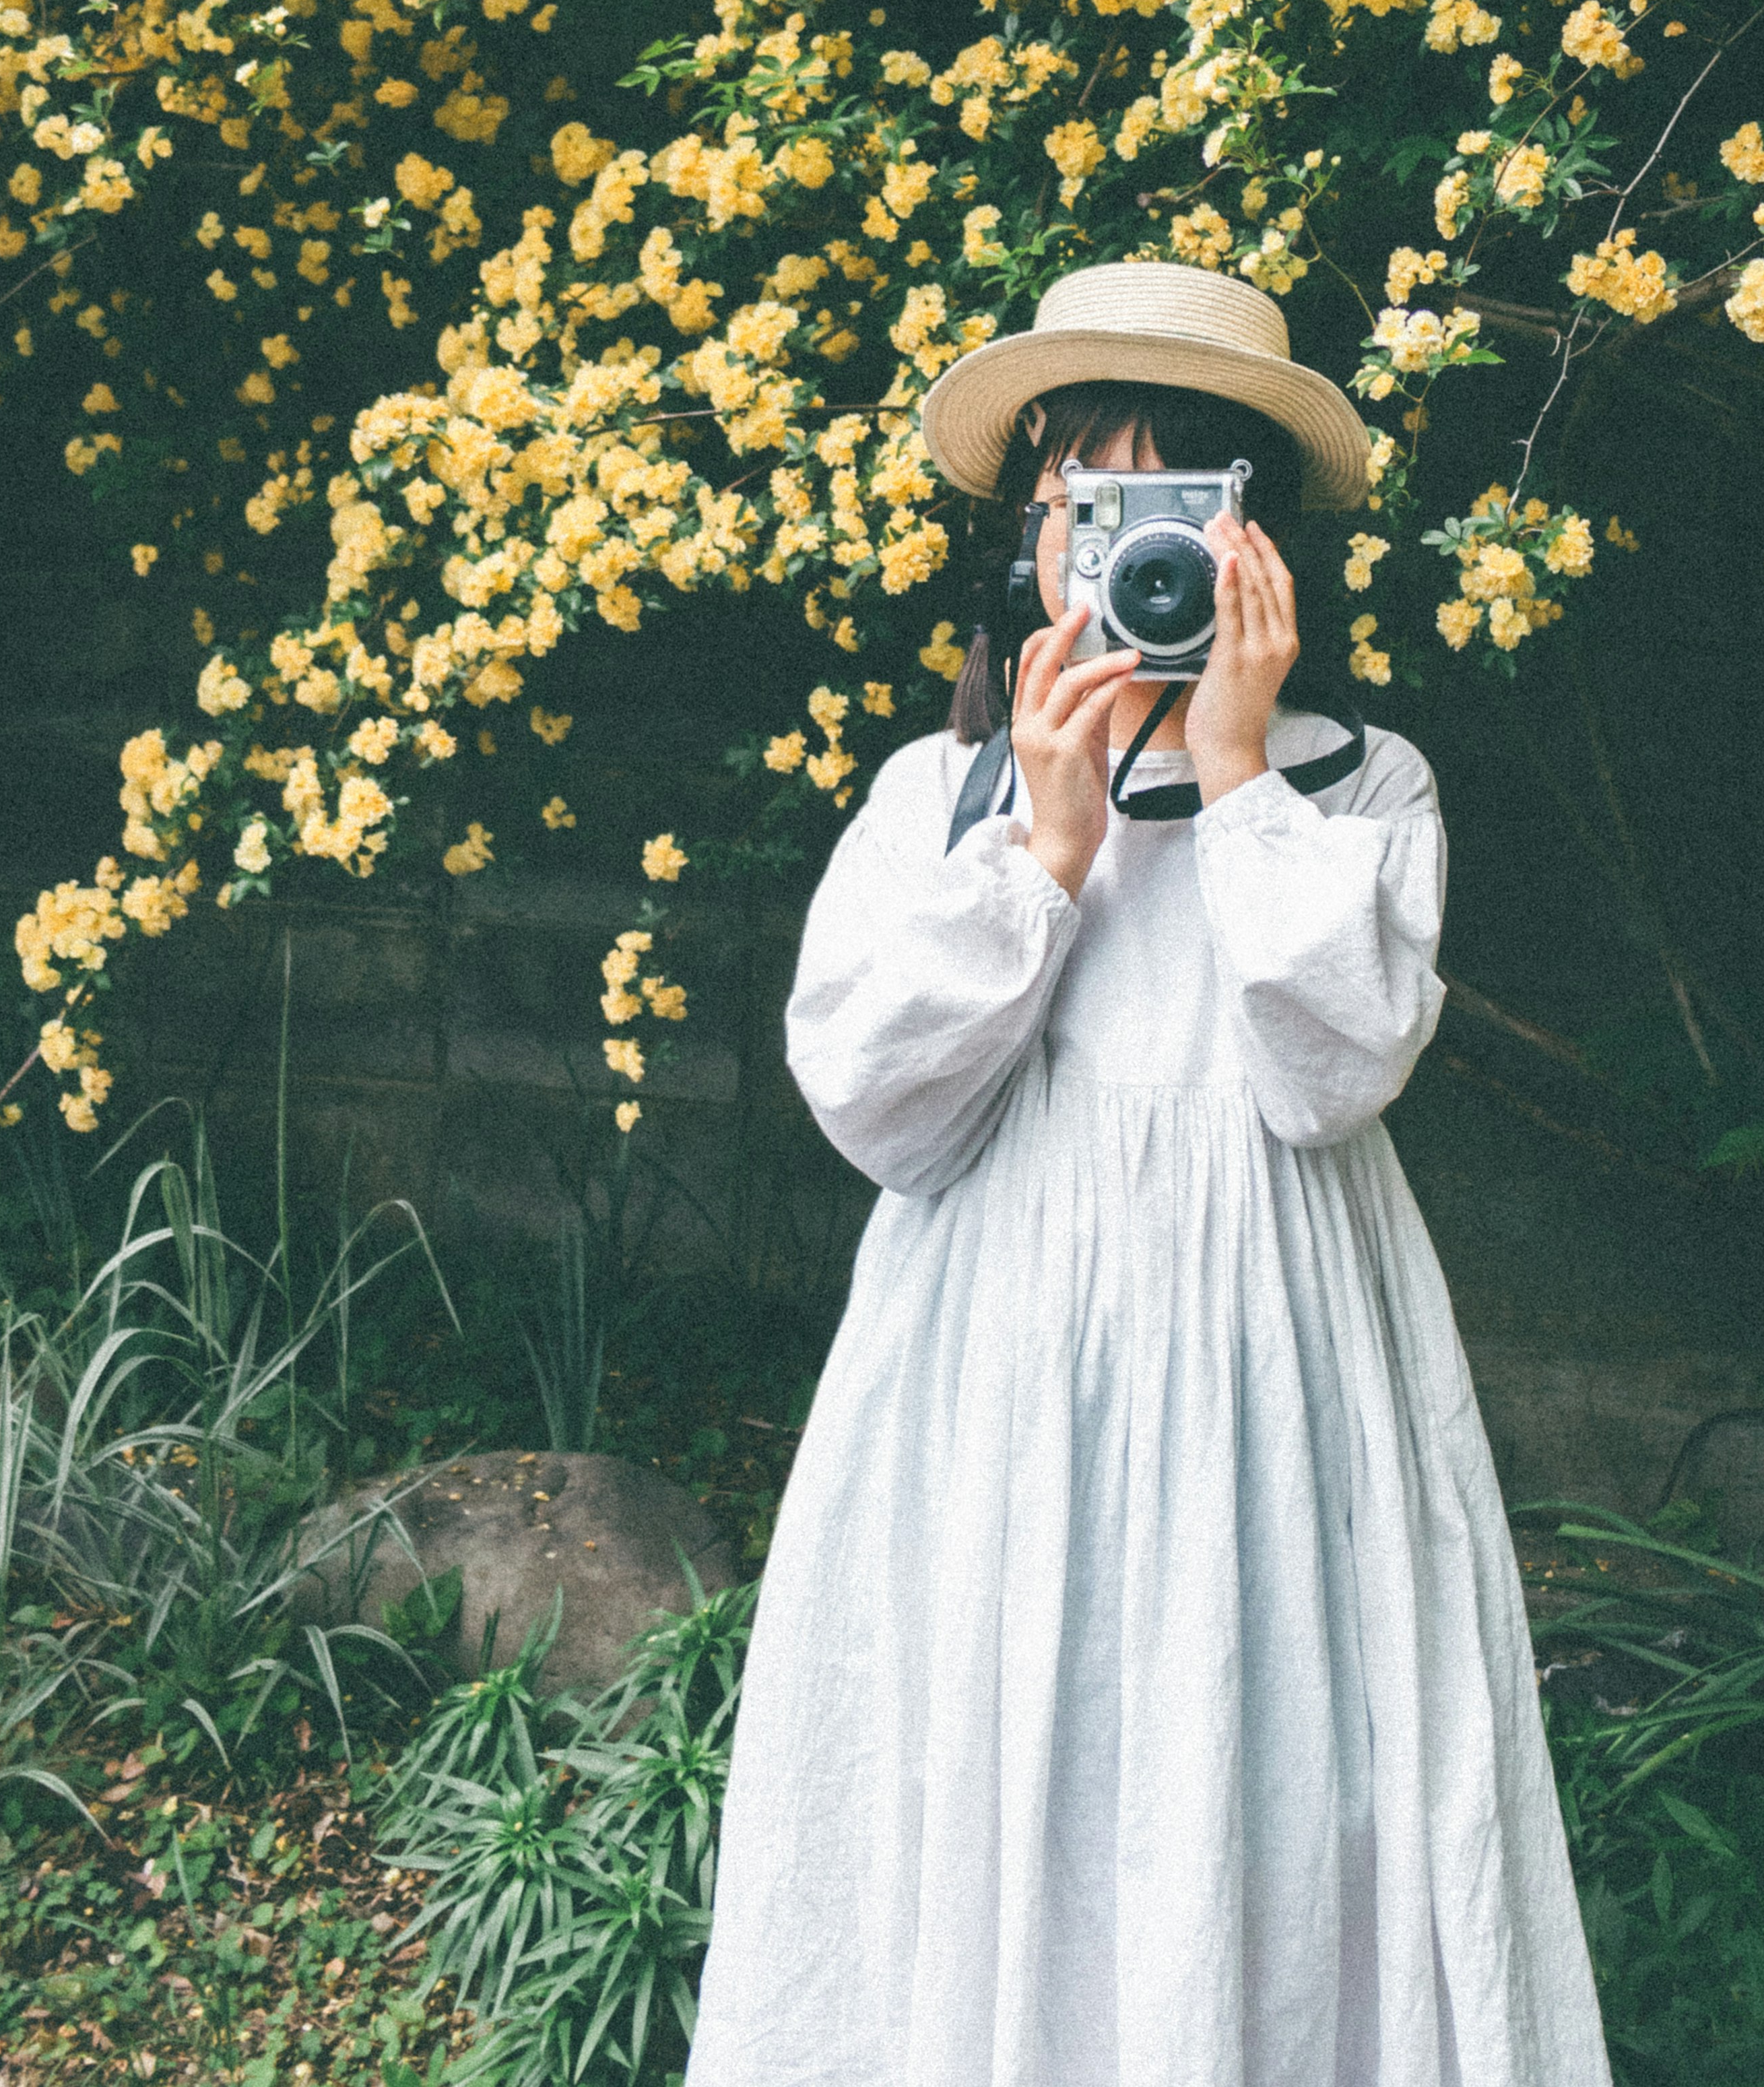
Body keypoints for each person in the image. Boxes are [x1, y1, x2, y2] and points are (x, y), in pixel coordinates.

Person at [686, 257, 1611, 2087]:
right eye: (1084, 506)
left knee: (1272, 1801)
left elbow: (1330, 1071)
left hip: (1274, 1396)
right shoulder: (932, 797)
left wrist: (1241, 770)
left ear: (1259, 538)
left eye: (1176, 503)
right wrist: (1043, 843)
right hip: (988, 1400)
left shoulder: (1364, 789)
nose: (1128, 558)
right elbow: (877, 1105)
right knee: (982, 1786)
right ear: (1035, 534)